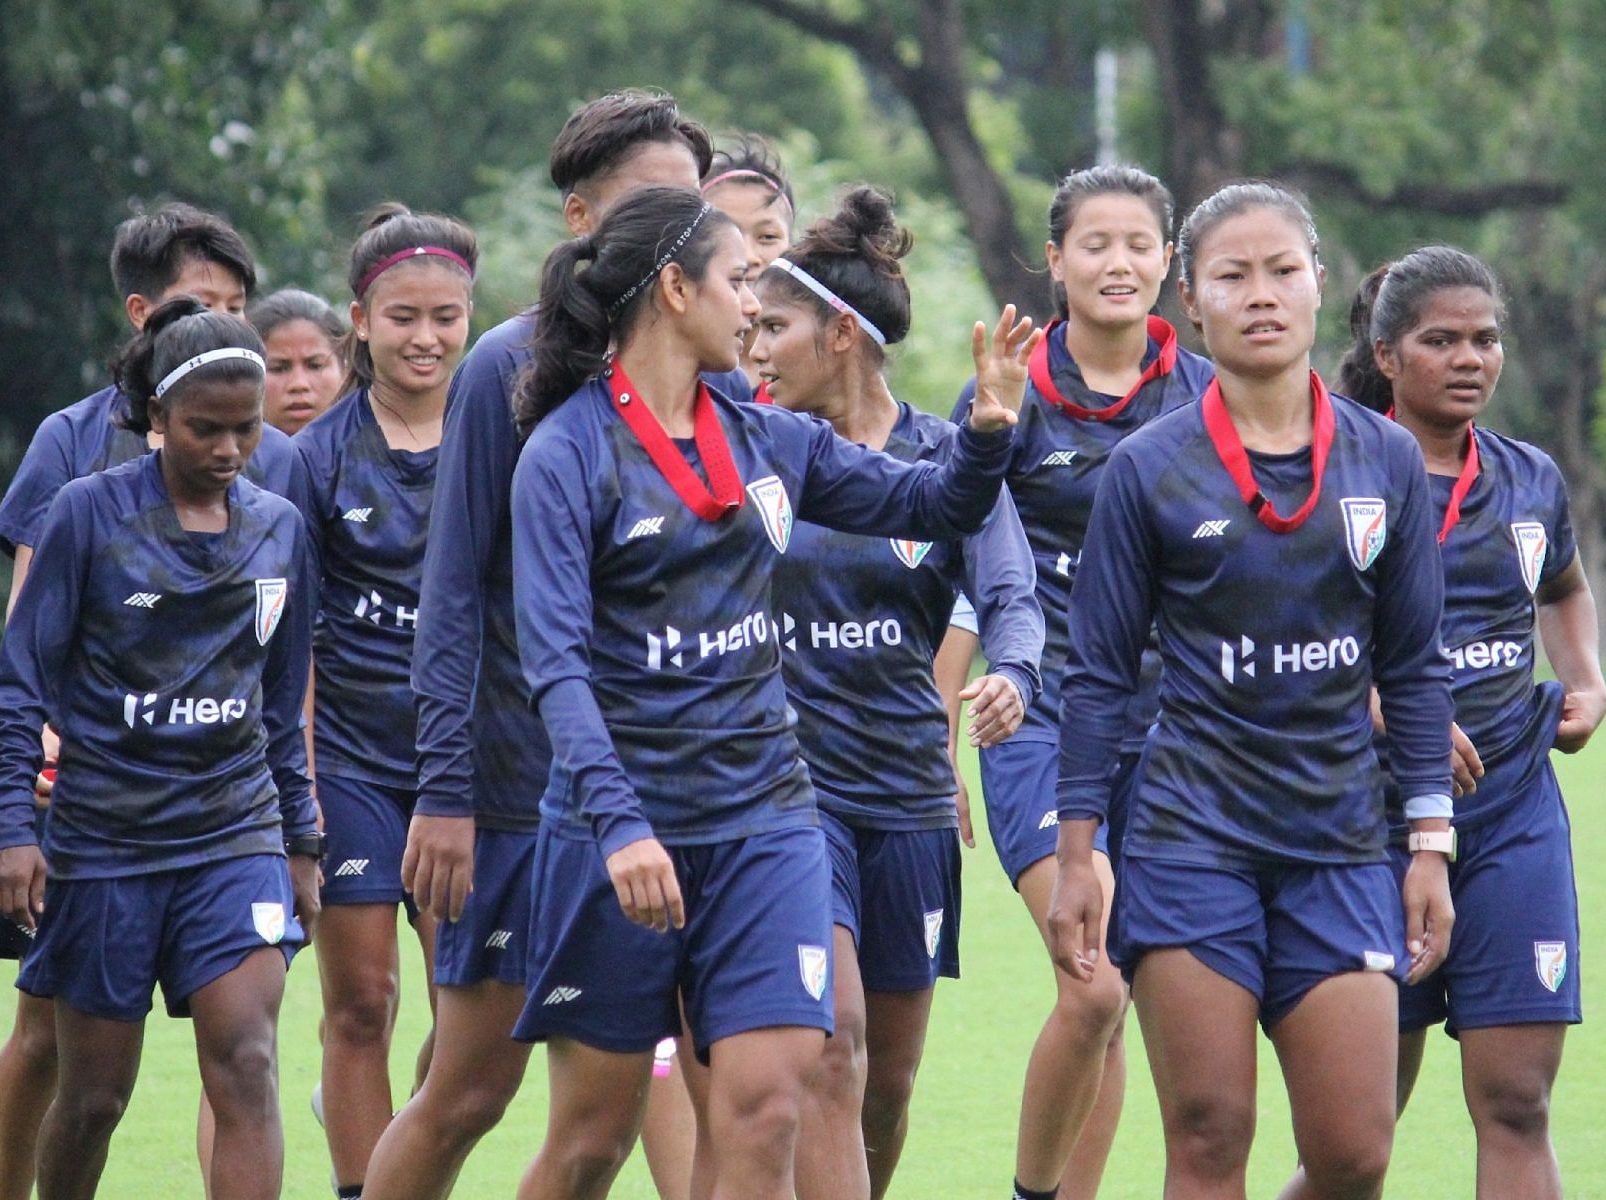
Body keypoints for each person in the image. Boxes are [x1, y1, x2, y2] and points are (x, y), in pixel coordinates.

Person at [508, 183, 1031, 1200]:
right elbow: (557, 670)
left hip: (767, 819)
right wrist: (620, 829)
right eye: (738, 281)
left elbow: (933, 502)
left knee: (769, 1102)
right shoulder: (566, 455)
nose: (750, 308)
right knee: (588, 1144)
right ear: (672, 288)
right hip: (620, 834)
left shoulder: (763, 434)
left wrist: (987, 433)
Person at [1047, 181, 1457, 1200]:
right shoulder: (1147, 468)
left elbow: (1411, 666)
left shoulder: (1388, 459)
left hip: (1339, 838)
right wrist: (1077, 855)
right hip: (1191, 840)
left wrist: (1429, 844)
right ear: (1193, 301)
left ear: (1318, 283)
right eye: (1233, 275)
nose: (1261, 294)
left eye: (1282, 270)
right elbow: (1098, 674)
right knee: (1208, 1136)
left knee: (1355, 1152)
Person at [363, 89, 724, 1200]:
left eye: (691, 208)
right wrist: (445, 791)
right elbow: (458, 591)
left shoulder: (722, 372)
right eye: (647, 206)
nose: (677, 234)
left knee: (638, 1113)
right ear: (580, 219)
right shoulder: (506, 371)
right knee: (471, 1091)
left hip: (688, 793)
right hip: (526, 798)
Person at [0, 201, 298, 1200]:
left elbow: (286, 692)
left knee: (245, 1059)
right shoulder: (82, 504)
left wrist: (307, 837)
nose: (234, 448)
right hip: (102, 833)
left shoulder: (283, 520)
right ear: (155, 413)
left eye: (249, 428)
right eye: (209, 428)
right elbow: (20, 671)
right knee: (93, 1095)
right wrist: (12, 826)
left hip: (233, 831)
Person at [1285, 246, 1606, 1199]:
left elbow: (1566, 589)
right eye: (1441, 340)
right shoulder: (1331, 476)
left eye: (1486, 339)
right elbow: (1290, 624)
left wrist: (1584, 678)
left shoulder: (1529, 478)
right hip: (1365, 826)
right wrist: (1393, 709)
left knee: (1517, 1103)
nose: (1471, 358)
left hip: (1512, 810)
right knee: (1352, 1148)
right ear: (1386, 355)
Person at [750, 186, 1044, 1199]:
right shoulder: (755, 453)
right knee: (834, 1048)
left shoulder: (941, 460)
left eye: (775, 326)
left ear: (841, 335)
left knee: (886, 1083)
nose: (756, 345)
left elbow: (1011, 593)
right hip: (791, 798)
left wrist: (1011, 672)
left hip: (911, 799)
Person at [934, 164, 1214, 1200]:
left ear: (1169, 263)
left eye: (1140, 244)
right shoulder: (1006, 388)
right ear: (1053, 261)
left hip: (1179, 733)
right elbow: (959, 567)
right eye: (1094, 244)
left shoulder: (1207, 392)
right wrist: (938, 737)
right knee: (1093, 989)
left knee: (1129, 995)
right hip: (1037, 716)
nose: (1119, 263)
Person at [294, 204, 477, 1200]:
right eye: (401, 316)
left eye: (445, 316)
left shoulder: (508, 439)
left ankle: (407, 1167)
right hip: (353, 763)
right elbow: (293, 641)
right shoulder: (312, 460)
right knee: (361, 1006)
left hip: (472, 767)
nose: (425, 337)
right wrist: (306, 778)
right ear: (358, 322)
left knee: (468, 1016)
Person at [703, 134, 796, 390]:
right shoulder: (677, 366)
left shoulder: (810, 372)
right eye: (726, 234)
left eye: (767, 237)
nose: (746, 256)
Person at [251, 289, 347, 435]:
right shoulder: (225, 454)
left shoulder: (378, 452)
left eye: (315, 366)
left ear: (345, 370)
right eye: (278, 368)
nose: (299, 384)